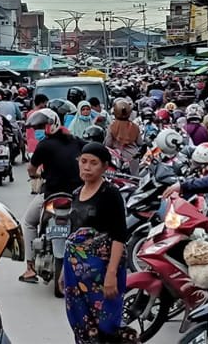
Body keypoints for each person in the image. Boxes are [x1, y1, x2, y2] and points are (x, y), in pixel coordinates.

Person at [63, 142, 134, 344]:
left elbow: (119, 235)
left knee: (106, 324)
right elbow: (73, 232)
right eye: (83, 161)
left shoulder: (110, 194)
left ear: (104, 167)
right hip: (75, 272)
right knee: (81, 323)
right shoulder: (76, 193)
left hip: (102, 271)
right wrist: (63, 272)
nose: (87, 167)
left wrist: (111, 273)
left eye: (93, 163)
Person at [19, 109, 85, 284]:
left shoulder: (44, 145)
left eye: (41, 126)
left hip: (51, 195)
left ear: (52, 124)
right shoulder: (77, 142)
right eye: (37, 128)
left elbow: (31, 169)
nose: (39, 130)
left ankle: (30, 268)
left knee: (29, 222)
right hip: (76, 196)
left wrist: (36, 175)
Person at [105, 99, 142, 175]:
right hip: (132, 157)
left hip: (116, 157)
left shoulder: (112, 127)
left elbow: (108, 144)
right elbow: (140, 143)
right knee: (134, 178)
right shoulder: (135, 127)